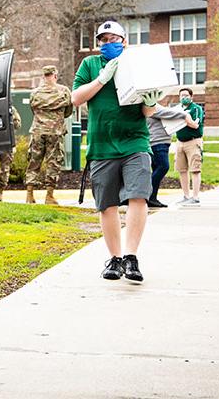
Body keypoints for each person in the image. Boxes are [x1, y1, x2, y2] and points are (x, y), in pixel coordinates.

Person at [72, 20, 162, 283]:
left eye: (113, 39)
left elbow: (149, 112)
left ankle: (131, 257)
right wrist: (101, 79)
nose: (107, 44)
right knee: (107, 203)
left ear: (124, 41)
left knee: (138, 196)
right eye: (103, 40)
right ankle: (115, 258)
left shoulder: (136, 64)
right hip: (102, 144)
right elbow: (76, 98)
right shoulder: (90, 65)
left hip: (135, 141)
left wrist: (151, 101)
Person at [25, 65, 73, 205]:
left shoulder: (35, 92)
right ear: (55, 75)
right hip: (55, 132)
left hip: (38, 131)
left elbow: (33, 110)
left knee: (34, 162)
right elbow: (68, 112)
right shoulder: (64, 91)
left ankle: (29, 195)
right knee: (53, 163)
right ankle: (49, 196)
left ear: (43, 76)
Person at [145, 101, 187, 209]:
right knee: (163, 167)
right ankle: (146, 195)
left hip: (161, 142)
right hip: (157, 142)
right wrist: (185, 114)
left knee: (156, 169)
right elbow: (165, 112)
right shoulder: (150, 105)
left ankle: (152, 198)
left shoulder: (153, 104)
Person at [173, 88, 204, 205]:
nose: (184, 98)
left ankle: (195, 197)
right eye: (181, 96)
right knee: (182, 170)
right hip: (180, 141)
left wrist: (184, 116)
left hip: (193, 142)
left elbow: (195, 125)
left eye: (186, 95)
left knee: (195, 169)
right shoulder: (177, 109)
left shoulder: (196, 109)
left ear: (191, 97)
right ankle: (186, 196)